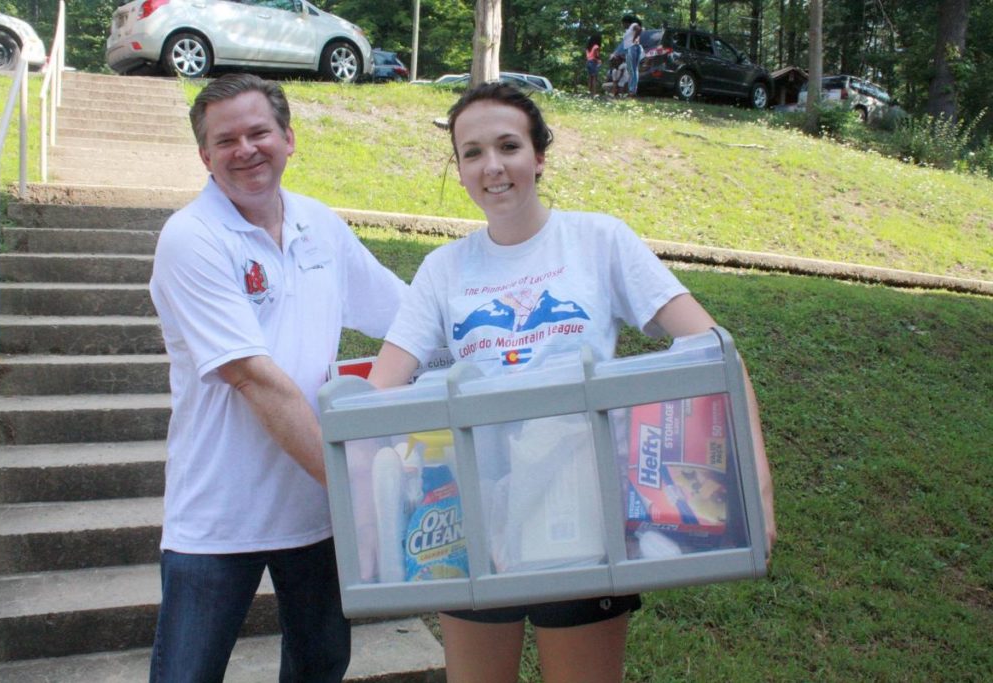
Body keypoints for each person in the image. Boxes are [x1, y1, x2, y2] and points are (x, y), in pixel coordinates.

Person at [366, 83, 776, 683]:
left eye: (508, 146)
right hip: (473, 518)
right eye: (472, 152)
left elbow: (716, 354)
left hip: (581, 514)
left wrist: (756, 489)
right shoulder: (442, 270)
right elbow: (380, 394)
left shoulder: (597, 240)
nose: (492, 166)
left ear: (539, 157)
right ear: (458, 169)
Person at [148, 73, 407, 683]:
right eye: (226, 139)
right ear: (204, 156)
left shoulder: (320, 224)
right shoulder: (192, 238)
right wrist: (355, 486)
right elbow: (255, 379)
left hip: (313, 513)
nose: (246, 149)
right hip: (219, 514)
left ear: (289, 138)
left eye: (259, 131)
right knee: (187, 673)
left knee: (321, 666)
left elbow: (407, 318)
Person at [621, 14, 643, 97]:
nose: (622, 25)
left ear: (626, 22)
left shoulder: (633, 25)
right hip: (632, 49)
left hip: (632, 48)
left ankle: (631, 90)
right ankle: (633, 90)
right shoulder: (629, 30)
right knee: (634, 70)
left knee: (631, 70)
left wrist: (634, 39)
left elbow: (639, 29)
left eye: (623, 23)